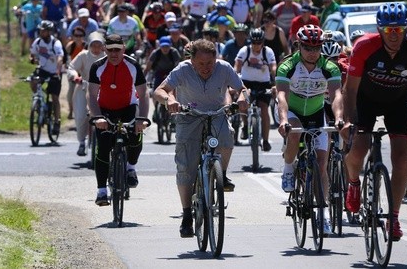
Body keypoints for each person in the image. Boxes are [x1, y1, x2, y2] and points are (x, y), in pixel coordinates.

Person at [340, 3, 407, 241]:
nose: (393, 35)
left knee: (402, 158)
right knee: (358, 147)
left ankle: (394, 217)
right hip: (365, 100)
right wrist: (351, 121)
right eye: (388, 30)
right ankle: (353, 183)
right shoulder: (364, 47)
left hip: (397, 103)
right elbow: (350, 89)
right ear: (379, 29)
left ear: (406, 28)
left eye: (399, 30)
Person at [153, 39, 248, 238]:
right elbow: (159, 91)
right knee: (186, 166)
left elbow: (241, 88)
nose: (206, 68)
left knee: (227, 138)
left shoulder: (224, 68)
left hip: (217, 113)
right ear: (192, 61)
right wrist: (170, 99)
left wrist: (241, 97)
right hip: (189, 115)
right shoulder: (182, 69)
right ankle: (187, 214)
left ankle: (220, 174)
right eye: (201, 64)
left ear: (216, 59)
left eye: (210, 64)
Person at [276, 24, 344, 236]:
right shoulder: (287, 66)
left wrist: (340, 118)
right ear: (298, 46)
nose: (312, 52)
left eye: (317, 48)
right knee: (295, 133)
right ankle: (288, 168)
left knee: (322, 165)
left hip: (316, 112)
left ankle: (323, 214)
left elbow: (336, 95)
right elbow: (282, 96)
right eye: (307, 48)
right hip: (294, 111)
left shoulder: (329, 68)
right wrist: (284, 119)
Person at [88, 34, 150, 206]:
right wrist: (97, 117)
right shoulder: (97, 67)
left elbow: (144, 95)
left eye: (117, 49)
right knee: (103, 148)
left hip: (128, 107)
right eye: (110, 50)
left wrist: (142, 119)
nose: (114, 54)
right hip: (105, 109)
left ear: (123, 48)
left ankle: (131, 167)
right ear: (104, 50)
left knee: (135, 136)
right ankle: (101, 191)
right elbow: (92, 95)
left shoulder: (133, 65)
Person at [235, 29, 277, 151]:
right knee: (243, 103)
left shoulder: (267, 52)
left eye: (259, 42)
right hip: (246, 83)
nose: (256, 45)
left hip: (263, 84)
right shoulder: (245, 50)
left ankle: (265, 140)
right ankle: (246, 125)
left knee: (264, 109)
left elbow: (273, 67)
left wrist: (275, 79)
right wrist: (235, 76)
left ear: (263, 42)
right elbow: (237, 64)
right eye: (254, 42)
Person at [67, 32, 106, 156]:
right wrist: (75, 76)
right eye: (93, 45)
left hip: (103, 90)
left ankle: (105, 142)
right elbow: (71, 67)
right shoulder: (83, 55)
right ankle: (82, 142)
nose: (96, 48)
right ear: (89, 45)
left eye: (98, 45)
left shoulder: (107, 57)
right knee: (80, 116)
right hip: (84, 87)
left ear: (102, 46)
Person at [29, 20, 64, 136]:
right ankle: (38, 102)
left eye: (44, 30)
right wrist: (32, 59)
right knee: (33, 81)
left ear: (49, 31)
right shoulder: (38, 42)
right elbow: (32, 53)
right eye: (40, 30)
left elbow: (60, 58)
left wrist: (58, 71)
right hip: (43, 69)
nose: (41, 32)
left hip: (54, 72)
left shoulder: (56, 43)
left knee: (55, 98)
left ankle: (57, 121)